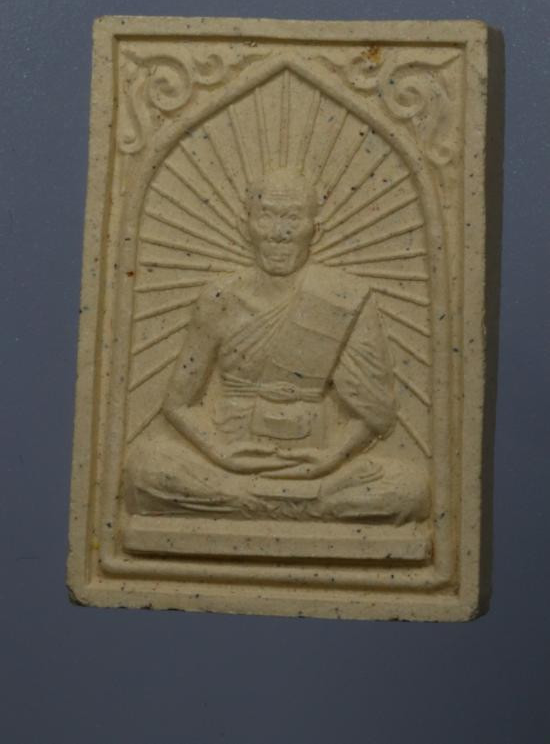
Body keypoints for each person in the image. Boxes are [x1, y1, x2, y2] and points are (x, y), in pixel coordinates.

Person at [125, 167, 429, 523]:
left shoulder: (345, 298)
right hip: (231, 460)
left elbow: (375, 410)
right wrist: (220, 453)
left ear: (315, 230)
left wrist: (331, 457)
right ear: (245, 228)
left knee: (410, 488)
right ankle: (299, 508)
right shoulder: (220, 297)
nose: (279, 233)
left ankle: (255, 505)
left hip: (318, 464)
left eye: (292, 218)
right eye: (267, 216)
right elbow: (177, 403)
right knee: (146, 469)